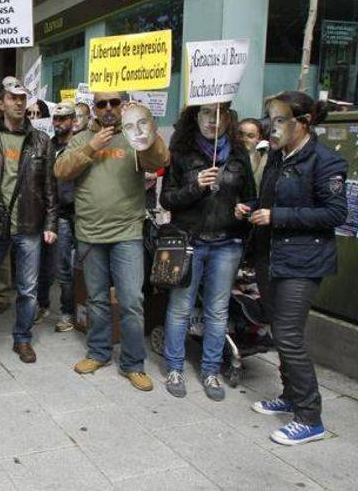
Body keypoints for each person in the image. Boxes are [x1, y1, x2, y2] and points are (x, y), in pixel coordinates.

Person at [236, 91, 347, 445]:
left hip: (303, 261)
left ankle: (310, 416)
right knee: (278, 328)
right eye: (270, 118)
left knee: (289, 336)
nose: (273, 126)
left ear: (303, 122)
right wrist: (250, 206)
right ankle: (289, 396)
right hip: (272, 256)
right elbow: (269, 201)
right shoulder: (277, 158)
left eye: (280, 119)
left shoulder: (326, 161)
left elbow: (335, 214)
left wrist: (277, 216)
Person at [55, 92, 169, 392]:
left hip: (128, 232)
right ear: (94, 108)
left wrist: (144, 126)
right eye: (102, 104)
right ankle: (99, 353)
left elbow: (160, 160)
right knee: (96, 299)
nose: (108, 109)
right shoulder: (81, 139)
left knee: (132, 301)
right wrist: (93, 147)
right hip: (90, 233)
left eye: (114, 103)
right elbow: (61, 171)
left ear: (122, 106)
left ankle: (133, 363)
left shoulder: (134, 137)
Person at [159, 102, 255, 401]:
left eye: (220, 115)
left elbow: (251, 196)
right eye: (206, 114)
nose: (213, 121)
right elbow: (167, 199)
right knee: (181, 308)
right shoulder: (182, 152)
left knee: (217, 310)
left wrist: (246, 209)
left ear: (228, 118)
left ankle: (211, 369)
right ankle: (174, 366)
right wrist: (196, 186)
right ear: (195, 117)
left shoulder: (239, 154)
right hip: (190, 242)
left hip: (227, 243)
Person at [0, 76, 56, 365]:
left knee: (28, 290)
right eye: (12, 98)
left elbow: (50, 187)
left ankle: (23, 339)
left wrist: (51, 224)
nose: (18, 103)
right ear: (0, 103)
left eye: (22, 98)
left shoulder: (41, 140)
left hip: (29, 224)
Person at [37, 102, 78, 333]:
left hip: (78, 212)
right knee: (54, 265)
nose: (58, 123)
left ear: (73, 120)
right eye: (56, 119)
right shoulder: (48, 146)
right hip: (55, 213)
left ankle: (70, 311)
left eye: (64, 119)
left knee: (72, 267)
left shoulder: (80, 144)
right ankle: (51, 307)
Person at [238, 118, 269, 188]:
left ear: (259, 139)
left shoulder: (266, 161)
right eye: (240, 134)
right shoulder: (225, 156)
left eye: (250, 136)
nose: (244, 139)